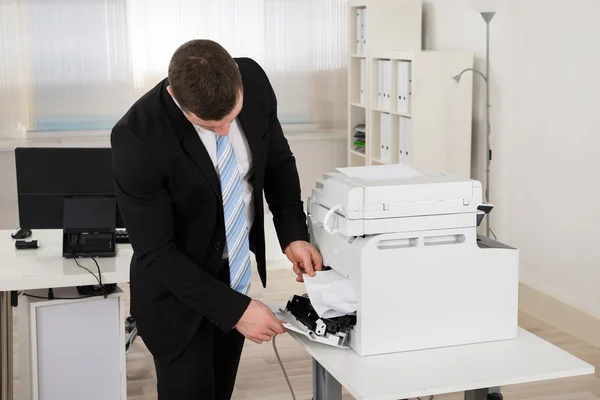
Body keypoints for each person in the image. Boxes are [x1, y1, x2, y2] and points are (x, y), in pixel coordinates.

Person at [110, 39, 323, 399]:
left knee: (220, 390)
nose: (226, 132)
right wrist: (237, 310)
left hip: (233, 273)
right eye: (211, 126)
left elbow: (278, 163)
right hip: (176, 292)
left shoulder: (253, 78)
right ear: (176, 97)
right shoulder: (137, 137)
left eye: (232, 117)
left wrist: (293, 233)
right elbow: (157, 252)